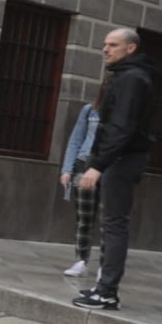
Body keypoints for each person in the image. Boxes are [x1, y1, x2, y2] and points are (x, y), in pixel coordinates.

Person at [73, 27, 159, 310]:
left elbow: (121, 127)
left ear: (130, 48)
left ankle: (107, 290)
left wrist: (98, 165)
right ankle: (103, 287)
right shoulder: (124, 76)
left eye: (113, 45)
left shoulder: (133, 79)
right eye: (104, 45)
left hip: (124, 158)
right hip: (119, 157)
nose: (105, 49)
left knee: (114, 223)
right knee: (110, 222)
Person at [57, 85, 103, 278]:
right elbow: (76, 139)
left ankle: (105, 265)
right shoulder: (89, 110)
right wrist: (67, 169)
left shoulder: (121, 113)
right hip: (83, 164)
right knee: (84, 218)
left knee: (107, 220)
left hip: (108, 168)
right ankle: (82, 260)